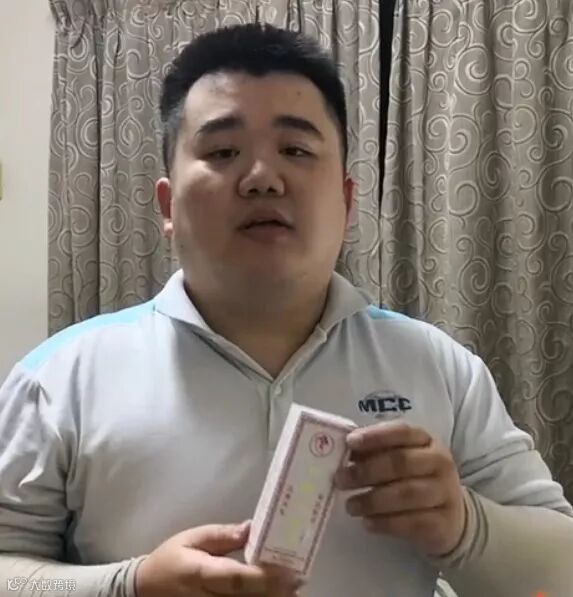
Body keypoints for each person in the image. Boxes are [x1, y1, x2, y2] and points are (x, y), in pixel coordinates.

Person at [0, 22, 572, 597]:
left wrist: (465, 527)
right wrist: (127, 586)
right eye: (223, 152)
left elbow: (561, 570)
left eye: (296, 150)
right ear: (168, 206)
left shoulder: (440, 368)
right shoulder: (59, 378)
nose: (262, 179)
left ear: (346, 201)